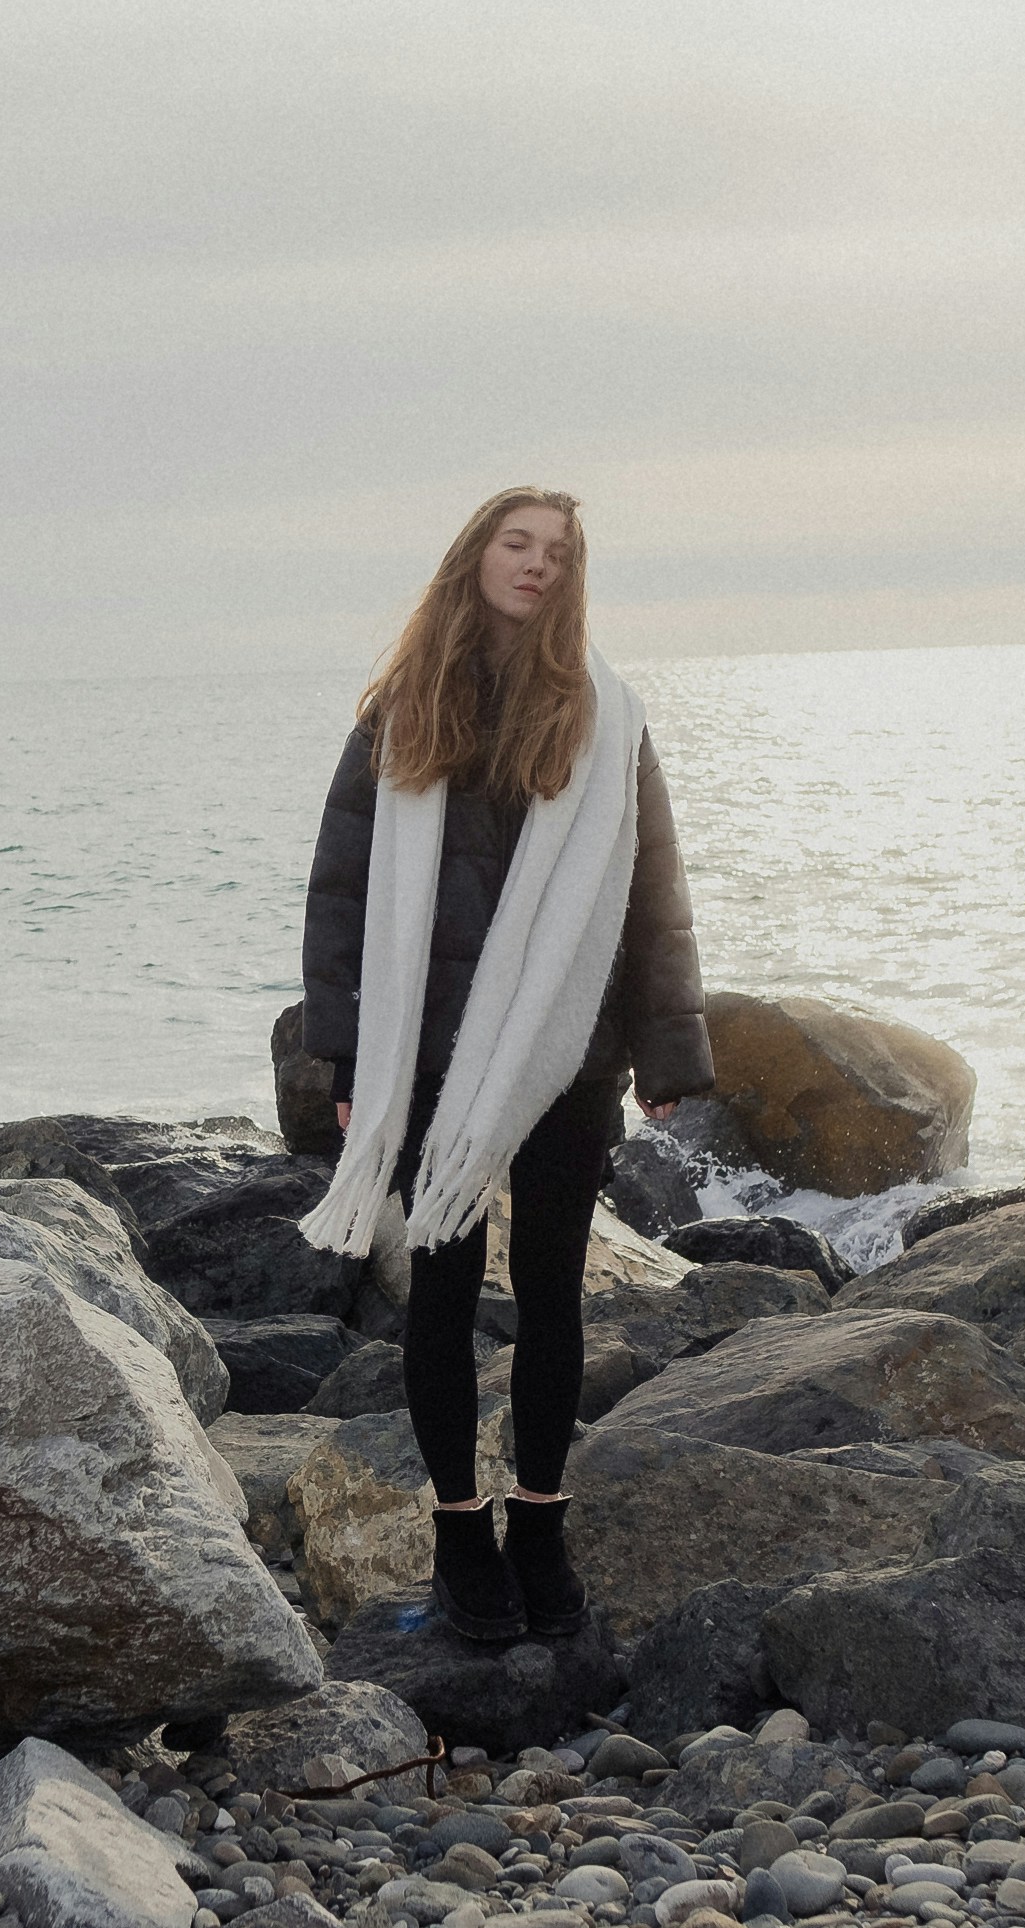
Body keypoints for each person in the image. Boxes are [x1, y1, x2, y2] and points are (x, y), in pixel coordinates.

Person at [294, 486, 712, 1643]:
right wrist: (345, 1056)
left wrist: (666, 1047)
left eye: (558, 552)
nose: (537, 564)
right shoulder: (402, 708)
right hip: (431, 1050)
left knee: (552, 1290)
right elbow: (341, 889)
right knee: (438, 1290)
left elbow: (653, 887)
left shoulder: (608, 713)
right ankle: (458, 1534)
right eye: (517, 543)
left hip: (568, 1049)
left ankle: (539, 1521)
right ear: (474, 555)